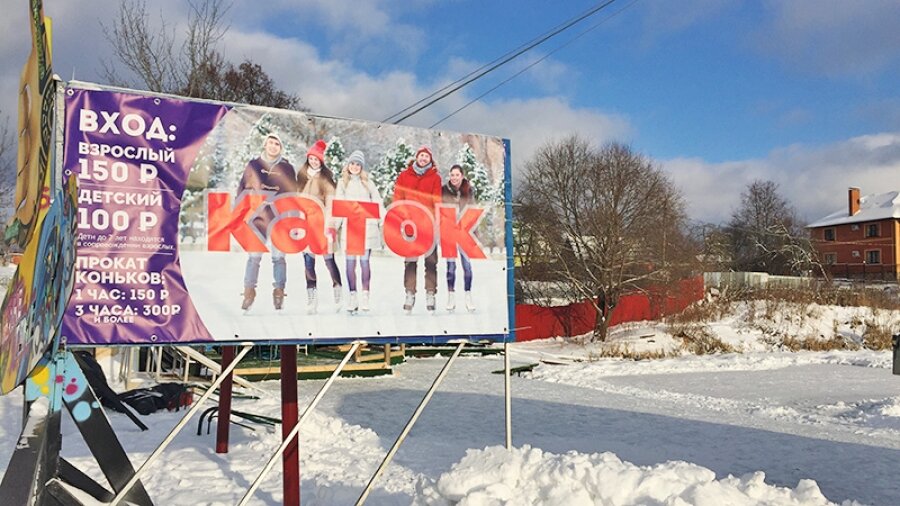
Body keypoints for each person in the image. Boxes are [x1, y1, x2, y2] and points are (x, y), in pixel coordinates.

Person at [237, 132, 296, 311]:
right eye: (270, 143)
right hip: (258, 216)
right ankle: (249, 292)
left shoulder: (287, 168)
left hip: (279, 218)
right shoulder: (254, 165)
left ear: (281, 148)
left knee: (279, 257)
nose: (273, 146)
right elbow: (242, 188)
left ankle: (279, 292)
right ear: (265, 145)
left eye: (276, 144)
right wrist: (240, 212)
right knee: (254, 256)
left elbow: (293, 194)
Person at [392, 145, 442, 313]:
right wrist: (404, 217)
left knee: (431, 261)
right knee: (410, 262)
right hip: (410, 226)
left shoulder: (435, 177)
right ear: (416, 158)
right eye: (421, 156)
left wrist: (436, 220)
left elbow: (437, 200)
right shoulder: (405, 176)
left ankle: (430, 293)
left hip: (428, 225)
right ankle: (410, 293)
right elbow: (398, 197)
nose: (423, 159)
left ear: (430, 160)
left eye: (426, 157)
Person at [297, 139, 342, 314]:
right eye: (311, 158)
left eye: (317, 159)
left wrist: (331, 226)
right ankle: (312, 296)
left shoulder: (325, 179)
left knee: (328, 260)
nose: (314, 161)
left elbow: (331, 203)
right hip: (306, 225)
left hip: (322, 225)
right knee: (308, 262)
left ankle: (337, 290)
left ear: (321, 161)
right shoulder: (301, 176)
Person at [335, 150, 382, 313]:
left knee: (364, 262)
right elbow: (339, 205)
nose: (355, 167)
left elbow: (377, 202)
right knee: (349, 263)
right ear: (348, 165)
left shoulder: (368, 182)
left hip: (366, 228)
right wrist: (334, 226)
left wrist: (381, 220)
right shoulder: (342, 182)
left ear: (361, 167)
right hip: (350, 228)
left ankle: (365, 295)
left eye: (358, 164)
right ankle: (352, 295)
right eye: (352, 163)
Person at [442, 164, 476, 312]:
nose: (454, 177)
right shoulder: (443, 190)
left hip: (464, 231)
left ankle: (468, 295)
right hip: (449, 231)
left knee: (467, 266)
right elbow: (440, 208)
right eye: (452, 175)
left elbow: (473, 209)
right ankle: (451, 296)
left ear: (462, 176)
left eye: (457, 175)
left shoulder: (468, 190)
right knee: (450, 267)